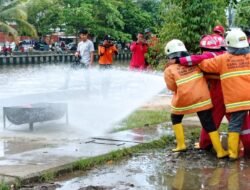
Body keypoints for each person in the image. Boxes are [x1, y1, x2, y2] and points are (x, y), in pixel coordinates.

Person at [164, 39, 228, 158]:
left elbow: (172, 87)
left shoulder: (169, 70)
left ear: (170, 56)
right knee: (209, 123)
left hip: (183, 101)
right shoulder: (196, 64)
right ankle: (220, 151)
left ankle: (181, 144)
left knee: (175, 118)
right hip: (202, 100)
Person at [198, 29, 250, 160]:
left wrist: (197, 58)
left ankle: (233, 153)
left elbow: (204, 65)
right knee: (246, 125)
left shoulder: (222, 59)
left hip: (236, 100)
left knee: (235, 125)